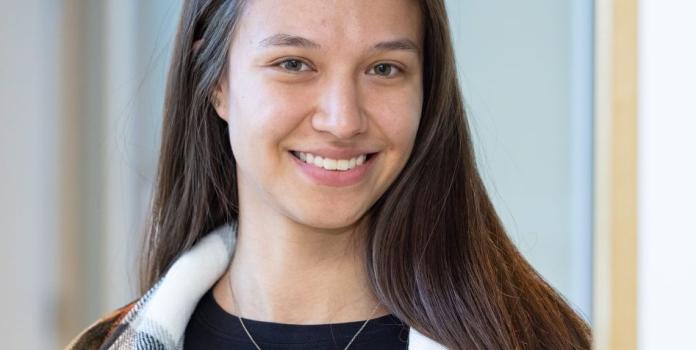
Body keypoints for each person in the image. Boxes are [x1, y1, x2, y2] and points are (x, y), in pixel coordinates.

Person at [67, 0, 591, 349]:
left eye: (384, 69)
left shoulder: (537, 339)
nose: (342, 120)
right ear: (216, 81)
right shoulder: (106, 344)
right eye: (294, 63)